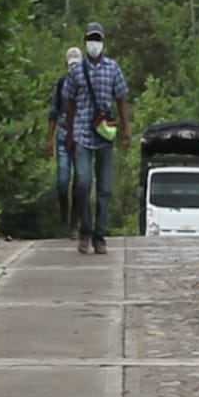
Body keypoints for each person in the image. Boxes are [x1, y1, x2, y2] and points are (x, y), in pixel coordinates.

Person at [63, 22, 131, 254]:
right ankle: (85, 229)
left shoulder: (112, 68)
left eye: (97, 39)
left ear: (102, 42)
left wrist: (126, 130)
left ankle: (99, 235)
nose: (94, 43)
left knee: (105, 188)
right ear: (85, 41)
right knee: (82, 182)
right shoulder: (76, 71)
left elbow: (121, 99)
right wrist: (69, 133)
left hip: (104, 134)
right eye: (91, 38)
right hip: (82, 132)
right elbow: (69, 103)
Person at [47, 46, 83, 238]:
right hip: (62, 137)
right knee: (62, 182)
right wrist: (49, 139)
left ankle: (74, 225)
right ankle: (63, 220)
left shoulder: (87, 85)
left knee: (79, 182)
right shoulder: (61, 84)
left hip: (81, 139)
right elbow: (53, 112)